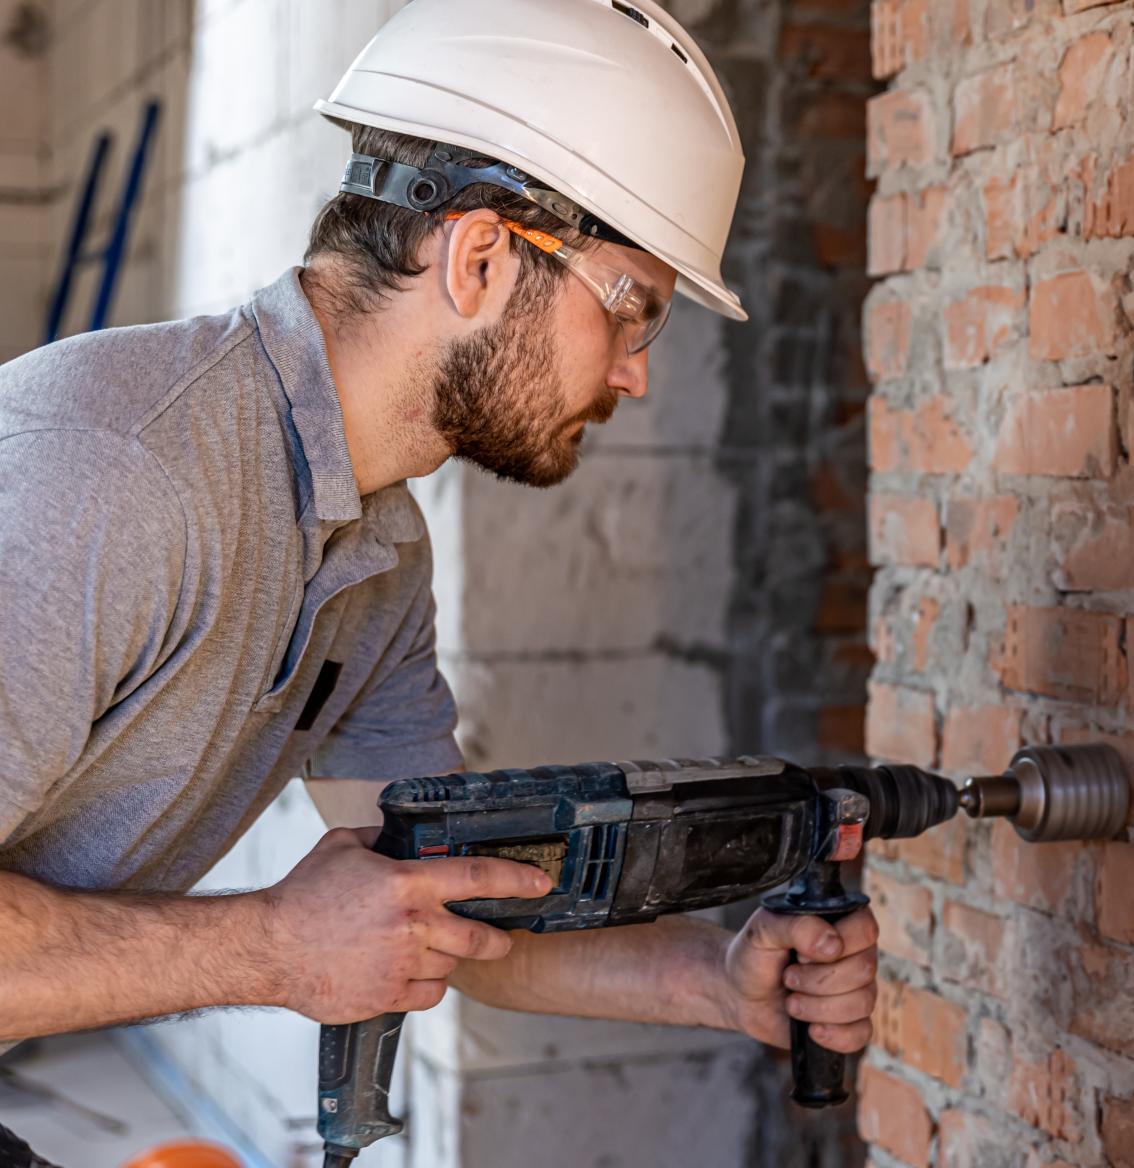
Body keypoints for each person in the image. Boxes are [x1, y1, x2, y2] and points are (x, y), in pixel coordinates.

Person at [0, 0, 877, 1154]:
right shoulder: (113, 474)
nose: (633, 376)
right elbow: (312, 940)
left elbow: (442, 898)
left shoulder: (377, 553)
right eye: (634, 313)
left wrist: (719, 978)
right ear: (476, 256)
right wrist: (272, 946)